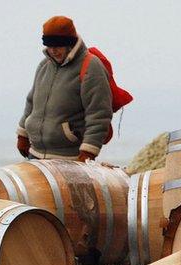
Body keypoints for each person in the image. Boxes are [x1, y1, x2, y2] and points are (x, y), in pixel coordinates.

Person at [16, 16, 112, 161]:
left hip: (70, 158)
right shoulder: (44, 66)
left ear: (70, 44)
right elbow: (31, 102)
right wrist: (22, 134)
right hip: (35, 155)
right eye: (49, 45)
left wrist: (88, 151)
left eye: (58, 46)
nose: (53, 51)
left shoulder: (91, 67)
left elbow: (99, 114)